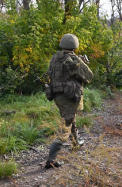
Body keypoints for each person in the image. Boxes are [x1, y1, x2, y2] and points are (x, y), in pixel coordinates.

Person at [45, 33, 93, 169]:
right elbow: (88, 77)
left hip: (57, 96)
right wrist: (81, 62)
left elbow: (51, 74)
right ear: (75, 46)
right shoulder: (74, 61)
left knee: (71, 117)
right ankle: (51, 160)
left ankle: (76, 142)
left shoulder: (55, 58)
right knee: (66, 125)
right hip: (69, 96)